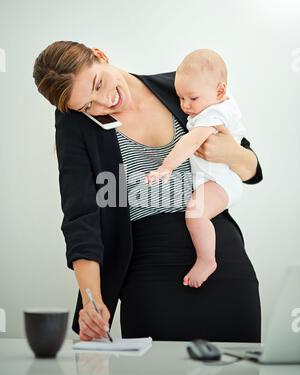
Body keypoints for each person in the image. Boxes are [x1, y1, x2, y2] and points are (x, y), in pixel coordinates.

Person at [33, 41, 263, 342]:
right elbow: (81, 217)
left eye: (99, 83)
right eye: (89, 105)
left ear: (101, 55)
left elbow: (251, 172)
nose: (104, 101)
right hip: (147, 273)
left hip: (224, 261)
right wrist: (92, 299)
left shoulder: (182, 87)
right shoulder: (75, 123)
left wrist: (231, 153)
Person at [146, 49, 245, 289]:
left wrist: (166, 168)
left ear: (219, 91)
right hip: (215, 178)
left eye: (192, 98)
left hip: (221, 182)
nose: (185, 105)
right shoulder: (216, 99)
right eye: (181, 98)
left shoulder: (215, 112)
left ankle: (206, 260)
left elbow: (191, 141)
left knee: (195, 213)